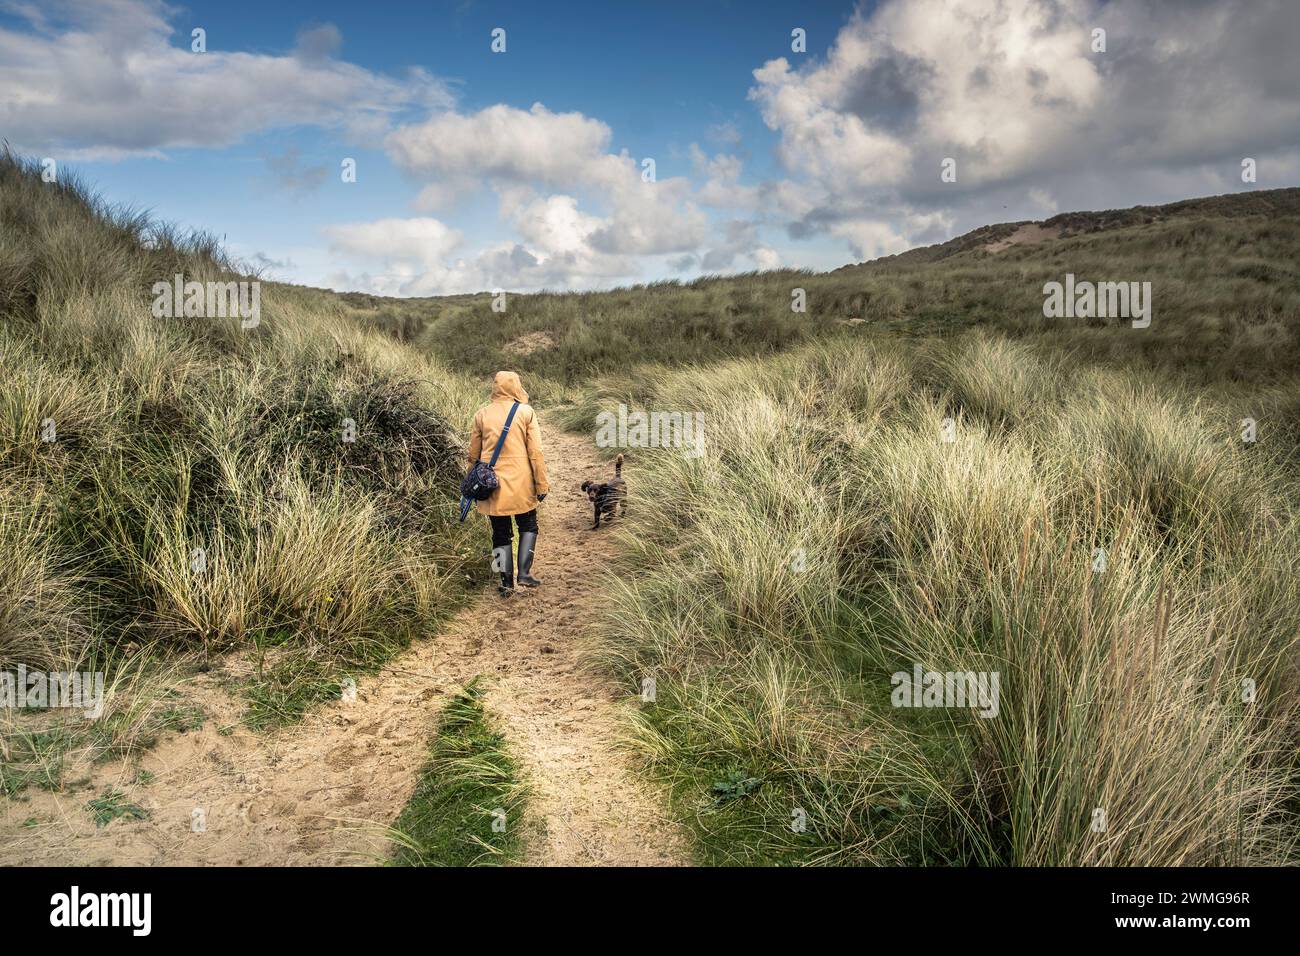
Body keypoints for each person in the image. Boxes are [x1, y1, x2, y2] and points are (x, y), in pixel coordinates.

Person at [467, 371, 550, 596]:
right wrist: (541, 484)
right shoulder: (525, 412)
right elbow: (536, 452)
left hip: (491, 484)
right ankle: (524, 573)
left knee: (500, 533)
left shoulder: (481, 414)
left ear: (495, 387)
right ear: (516, 386)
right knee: (528, 525)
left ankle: (506, 583)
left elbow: (473, 456)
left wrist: (471, 486)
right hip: (522, 483)